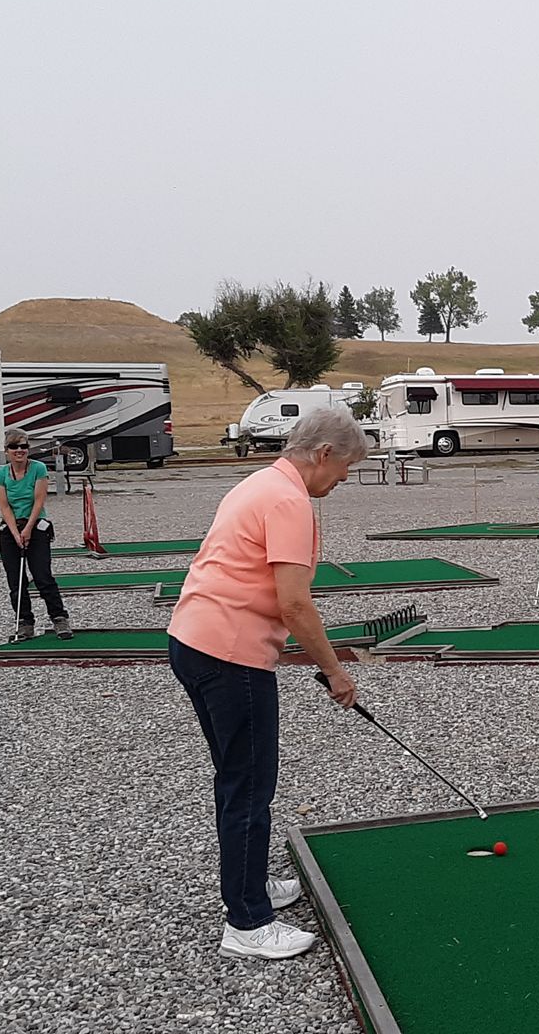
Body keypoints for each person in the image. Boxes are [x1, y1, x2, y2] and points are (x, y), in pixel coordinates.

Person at [167, 404, 368, 961]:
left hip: (193, 639)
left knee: (239, 778)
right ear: (323, 454)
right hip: (230, 654)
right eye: (345, 466)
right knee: (248, 786)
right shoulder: (288, 500)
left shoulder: (260, 481)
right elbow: (295, 603)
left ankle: (250, 886)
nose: (346, 477)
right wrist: (334, 669)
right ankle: (247, 923)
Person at [0, 431, 71, 641]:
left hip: (36, 526)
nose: (20, 451)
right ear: (7, 451)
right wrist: (15, 533)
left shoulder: (38, 468)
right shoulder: (0, 474)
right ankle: (24, 622)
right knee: (16, 580)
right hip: (10, 530)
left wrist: (27, 530)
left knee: (42, 575)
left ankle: (59, 618)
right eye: (14, 447)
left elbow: (39, 502)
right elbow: (4, 507)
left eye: (24, 447)